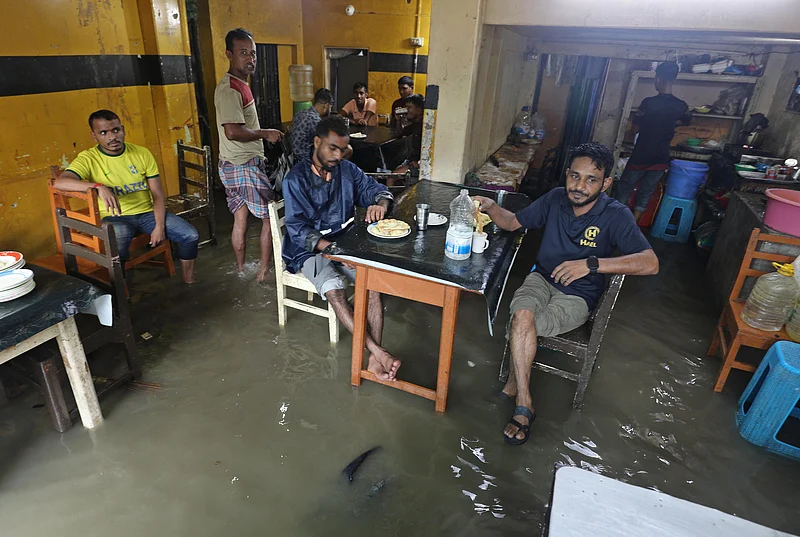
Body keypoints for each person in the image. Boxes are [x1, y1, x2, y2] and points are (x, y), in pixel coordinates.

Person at [474, 143, 659, 446]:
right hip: (541, 278)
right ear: (567, 174)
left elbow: (650, 263)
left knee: (523, 326)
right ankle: (524, 399)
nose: (579, 186)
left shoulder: (616, 215)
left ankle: (517, 393)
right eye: (575, 176)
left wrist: (591, 264)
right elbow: (511, 222)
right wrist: (491, 206)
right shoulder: (554, 199)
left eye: (591, 180)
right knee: (522, 314)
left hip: (578, 296)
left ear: (606, 183)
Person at [282, 116, 399, 381]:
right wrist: (334, 251)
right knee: (335, 291)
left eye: (342, 149)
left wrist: (379, 202)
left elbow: (375, 189)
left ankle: (373, 359)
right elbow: (299, 230)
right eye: (332, 148)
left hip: (344, 243)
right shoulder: (295, 180)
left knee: (373, 287)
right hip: (308, 250)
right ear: (316, 142)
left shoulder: (348, 171)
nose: (337, 155)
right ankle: (377, 351)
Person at [54, 109, 200, 283]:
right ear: (94, 136)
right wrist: (97, 186)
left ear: (122, 129)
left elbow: (158, 195)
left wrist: (159, 226)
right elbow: (60, 182)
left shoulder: (142, 153)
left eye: (116, 130)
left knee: (190, 235)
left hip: (148, 214)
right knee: (117, 251)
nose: (111, 137)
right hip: (115, 217)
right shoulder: (89, 158)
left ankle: (189, 282)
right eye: (103, 133)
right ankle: (121, 294)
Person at [214, 28, 283, 282]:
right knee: (270, 218)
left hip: (230, 164)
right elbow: (233, 131)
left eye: (252, 53)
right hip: (244, 165)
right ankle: (264, 271)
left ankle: (241, 269)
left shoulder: (240, 84)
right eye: (243, 53)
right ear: (229, 54)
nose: (250, 58)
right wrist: (265, 133)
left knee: (240, 218)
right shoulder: (230, 88)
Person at [614, 61, 692, 222]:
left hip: (641, 156)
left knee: (623, 191)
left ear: (658, 79)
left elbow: (635, 130)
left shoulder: (648, 103)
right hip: (660, 158)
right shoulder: (681, 106)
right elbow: (686, 121)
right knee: (646, 193)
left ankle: (615, 225)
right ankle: (632, 226)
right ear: (674, 79)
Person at [289, 88, 333, 161]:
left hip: (292, 158)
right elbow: (328, 140)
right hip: (304, 160)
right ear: (326, 106)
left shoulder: (300, 113)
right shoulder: (315, 120)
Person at [392, 94, 424, 182]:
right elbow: (400, 134)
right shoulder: (415, 124)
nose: (406, 111)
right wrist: (398, 120)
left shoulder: (424, 126)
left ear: (419, 110)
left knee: (392, 177)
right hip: (411, 160)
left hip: (419, 165)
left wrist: (418, 162)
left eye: (409, 108)